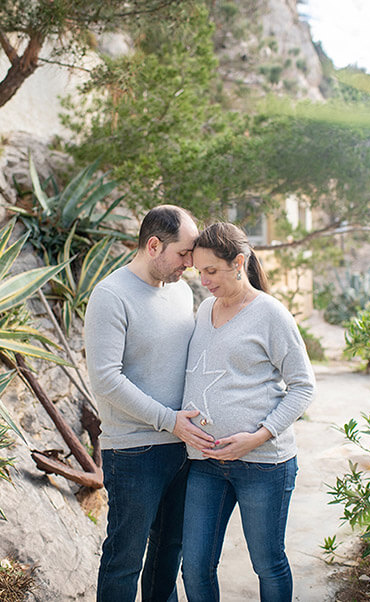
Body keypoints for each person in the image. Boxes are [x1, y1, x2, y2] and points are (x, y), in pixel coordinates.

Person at [85, 205, 215, 602]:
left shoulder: (179, 292)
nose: (190, 265)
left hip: (182, 446)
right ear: (154, 245)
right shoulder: (110, 295)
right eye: (183, 254)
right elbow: (106, 380)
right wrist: (168, 420)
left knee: (167, 556)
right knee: (124, 559)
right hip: (134, 451)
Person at [179, 222, 315, 602]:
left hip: (264, 465)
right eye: (198, 271)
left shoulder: (271, 315)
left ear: (238, 262)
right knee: (194, 566)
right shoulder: (205, 308)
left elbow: (304, 387)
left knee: (267, 563)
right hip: (205, 462)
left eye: (211, 271)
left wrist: (257, 437)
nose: (204, 281)